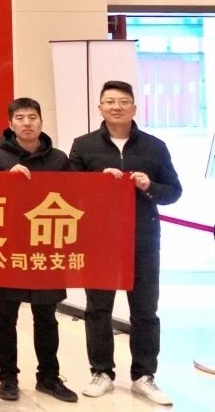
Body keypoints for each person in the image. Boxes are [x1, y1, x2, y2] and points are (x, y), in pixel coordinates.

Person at [72, 80, 181, 406]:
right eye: (110, 101)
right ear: (100, 108)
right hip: (99, 239)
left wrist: (149, 186)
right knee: (98, 308)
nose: (116, 107)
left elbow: (173, 192)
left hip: (143, 238)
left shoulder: (154, 147)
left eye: (123, 101)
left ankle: (144, 376)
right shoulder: (83, 145)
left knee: (145, 309)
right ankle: (101, 372)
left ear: (134, 107)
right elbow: (69, 191)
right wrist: (97, 183)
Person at [0, 98, 79, 404]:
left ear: (41, 122)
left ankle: (48, 377)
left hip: (46, 246)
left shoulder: (59, 159)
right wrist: (6, 179)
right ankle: (8, 377)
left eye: (32, 117)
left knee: (46, 316)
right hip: (10, 247)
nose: (27, 123)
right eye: (20, 118)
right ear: (10, 124)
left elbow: (78, 195)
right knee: (5, 316)